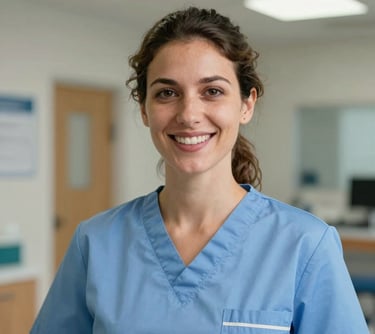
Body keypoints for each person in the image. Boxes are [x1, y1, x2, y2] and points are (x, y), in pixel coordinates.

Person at [31, 7, 369, 334]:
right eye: (167, 93)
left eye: (212, 91)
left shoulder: (304, 244)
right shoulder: (96, 243)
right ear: (145, 109)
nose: (189, 114)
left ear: (246, 105)